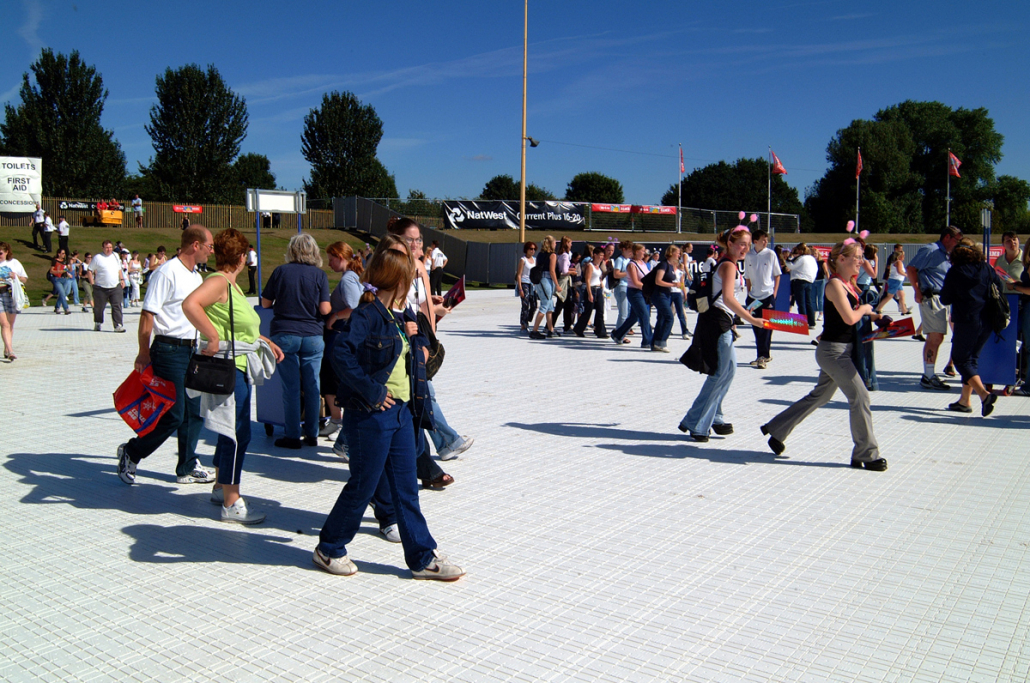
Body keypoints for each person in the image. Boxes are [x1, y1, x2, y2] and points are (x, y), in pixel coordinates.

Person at [314, 242, 464, 581]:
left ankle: (422, 558)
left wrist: (415, 337)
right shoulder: (367, 315)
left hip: (402, 413)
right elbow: (340, 354)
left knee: (406, 488)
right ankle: (329, 548)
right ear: (398, 280)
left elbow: (421, 345)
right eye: (409, 278)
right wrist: (372, 390)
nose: (412, 284)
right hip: (371, 414)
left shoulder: (402, 315)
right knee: (364, 485)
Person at [182, 228, 284, 524]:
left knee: (231, 430)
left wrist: (262, 340)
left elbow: (237, 326)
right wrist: (212, 337)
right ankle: (231, 501)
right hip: (229, 367)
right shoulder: (219, 282)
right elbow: (190, 304)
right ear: (241, 257)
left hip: (238, 364)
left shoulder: (231, 285)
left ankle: (220, 487)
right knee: (237, 433)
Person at [759, 240, 888, 470]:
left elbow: (852, 315)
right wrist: (865, 310)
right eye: (857, 257)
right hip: (834, 353)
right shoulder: (835, 285)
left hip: (842, 350)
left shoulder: (848, 284)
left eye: (862, 257)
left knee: (820, 396)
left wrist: (876, 317)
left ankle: (777, 429)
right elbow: (850, 318)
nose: (861, 261)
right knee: (860, 397)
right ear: (842, 259)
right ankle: (866, 454)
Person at [116, 226, 217, 486]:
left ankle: (187, 466)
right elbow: (148, 314)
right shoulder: (166, 272)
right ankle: (132, 452)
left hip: (191, 350)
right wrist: (143, 352)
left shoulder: (196, 276)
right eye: (209, 246)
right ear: (195, 245)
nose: (211, 251)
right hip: (169, 350)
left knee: (193, 412)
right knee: (174, 414)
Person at [385, 219, 470, 475]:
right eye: (409, 239)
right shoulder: (392, 266)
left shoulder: (420, 266)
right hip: (398, 338)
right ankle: (444, 444)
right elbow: (390, 303)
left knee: (421, 394)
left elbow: (421, 307)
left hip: (417, 338)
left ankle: (441, 447)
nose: (415, 244)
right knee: (421, 395)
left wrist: (431, 335)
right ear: (397, 240)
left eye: (418, 239)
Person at [679, 226, 765, 441]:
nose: (745, 248)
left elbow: (727, 300)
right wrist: (752, 320)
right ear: (730, 244)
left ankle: (715, 415)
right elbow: (727, 298)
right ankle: (697, 422)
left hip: (722, 321)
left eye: (748, 244)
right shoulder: (728, 266)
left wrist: (738, 317)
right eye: (741, 244)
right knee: (719, 373)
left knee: (729, 371)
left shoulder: (730, 264)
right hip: (717, 323)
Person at [261, 233, 331, 449]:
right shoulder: (320, 275)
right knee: (312, 385)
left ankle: (292, 435)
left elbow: (265, 303)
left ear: (291, 250)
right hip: (313, 335)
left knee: (290, 388)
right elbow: (325, 309)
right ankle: (312, 433)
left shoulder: (280, 272)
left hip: (285, 334)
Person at [940, 238, 1003, 416]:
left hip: (966, 320)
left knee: (960, 360)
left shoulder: (956, 271)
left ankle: (984, 395)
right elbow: (999, 287)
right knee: (972, 359)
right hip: (988, 320)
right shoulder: (986, 268)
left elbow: (945, 298)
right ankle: (964, 400)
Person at [320, 241, 364, 454]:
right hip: (341, 334)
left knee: (332, 377)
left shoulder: (347, 279)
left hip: (339, 334)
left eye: (331, 259)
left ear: (340, 257)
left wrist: (335, 315)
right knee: (331, 377)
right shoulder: (352, 277)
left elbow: (355, 307)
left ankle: (340, 424)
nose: (329, 264)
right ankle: (337, 421)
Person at [907, 226, 963, 390]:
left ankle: (929, 374)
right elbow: (911, 268)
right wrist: (917, 290)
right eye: (956, 240)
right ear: (947, 237)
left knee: (937, 337)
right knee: (935, 337)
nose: (958, 244)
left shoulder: (945, 254)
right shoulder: (931, 250)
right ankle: (928, 376)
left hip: (943, 298)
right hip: (933, 298)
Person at [743, 228, 781, 369]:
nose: (766, 242)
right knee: (756, 326)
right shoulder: (749, 256)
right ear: (755, 241)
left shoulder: (771, 254)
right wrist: (749, 293)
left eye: (766, 240)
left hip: (767, 296)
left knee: (767, 327)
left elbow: (777, 274)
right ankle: (763, 354)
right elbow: (747, 276)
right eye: (763, 240)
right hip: (754, 297)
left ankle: (762, 356)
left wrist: (774, 293)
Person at [610, 244, 654, 349]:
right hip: (635, 292)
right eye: (642, 250)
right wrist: (649, 288)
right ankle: (647, 341)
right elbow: (635, 282)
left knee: (634, 317)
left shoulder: (643, 263)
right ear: (636, 251)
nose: (644, 253)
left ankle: (618, 334)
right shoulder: (631, 265)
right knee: (644, 315)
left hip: (642, 292)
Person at [88, 240, 127, 332]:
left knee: (117, 305)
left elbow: (119, 269)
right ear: (103, 248)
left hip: (115, 286)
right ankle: (98, 322)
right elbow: (90, 270)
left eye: (110, 247)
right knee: (99, 307)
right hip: (101, 287)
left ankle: (118, 325)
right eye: (107, 248)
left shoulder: (115, 256)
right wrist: (92, 283)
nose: (109, 249)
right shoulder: (98, 258)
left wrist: (122, 279)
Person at [649, 244, 681, 352]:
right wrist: (673, 285)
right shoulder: (663, 264)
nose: (679, 255)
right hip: (659, 294)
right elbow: (658, 281)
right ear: (671, 253)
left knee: (662, 318)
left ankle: (654, 343)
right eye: (677, 253)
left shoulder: (670, 265)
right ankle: (661, 341)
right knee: (669, 317)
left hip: (667, 294)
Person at [0, 242, 28, 361]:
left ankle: (7, 348)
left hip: (11, 294)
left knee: (10, 324)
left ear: (7, 252)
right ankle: (11, 351)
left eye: (0, 253)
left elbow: (24, 279)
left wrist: (16, 276)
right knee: (4, 324)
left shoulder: (14, 263)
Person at [573, 246, 608, 338]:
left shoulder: (598, 266)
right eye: (600, 255)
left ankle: (600, 331)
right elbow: (587, 280)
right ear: (595, 255)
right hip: (592, 289)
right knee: (588, 311)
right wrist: (589, 294)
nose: (601, 257)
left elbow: (598, 277)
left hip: (598, 289)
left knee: (600, 310)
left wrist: (601, 283)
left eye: (602, 256)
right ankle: (579, 328)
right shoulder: (590, 266)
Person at [529, 236, 559, 339]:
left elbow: (537, 267)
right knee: (545, 305)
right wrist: (557, 285)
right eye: (554, 242)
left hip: (539, 280)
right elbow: (552, 271)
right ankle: (534, 330)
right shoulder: (552, 255)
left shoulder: (539, 255)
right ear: (551, 244)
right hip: (547, 280)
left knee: (549, 306)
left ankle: (551, 329)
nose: (555, 244)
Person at [786, 243, 817, 328]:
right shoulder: (812, 258)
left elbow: (791, 266)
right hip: (809, 281)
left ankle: (803, 322)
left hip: (799, 281)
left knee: (801, 303)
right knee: (808, 302)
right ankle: (811, 322)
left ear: (800, 250)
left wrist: (789, 257)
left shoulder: (801, 258)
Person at [876, 244, 910, 315]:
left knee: (902, 295)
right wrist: (907, 275)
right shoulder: (898, 262)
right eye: (903, 256)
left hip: (897, 281)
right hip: (896, 280)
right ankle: (878, 308)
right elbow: (899, 271)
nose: (904, 257)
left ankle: (904, 310)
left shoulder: (895, 262)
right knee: (890, 296)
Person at [610, 240, 633, 333]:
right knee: (623, 313)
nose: (631, 253)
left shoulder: (629, 260)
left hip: (629, 286)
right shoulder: (620, 260)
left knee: (628, 312)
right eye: (629, 251)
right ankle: (619, 333)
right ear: (624, 250)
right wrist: (629, 273)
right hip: (621, 286)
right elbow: (616, 274)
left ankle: (624, 331)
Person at [516, 242, 538, 334]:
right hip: (525, 283)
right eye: (531, 249)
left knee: (534, 305)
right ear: (527, 249)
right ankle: (523, 325)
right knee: (525, 304)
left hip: (533, 284)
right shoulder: (523, 260)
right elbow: (519, 275)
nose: (532, 251)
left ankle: (528, 319)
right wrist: (520, 289)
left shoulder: (535, 260)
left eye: (534, 249)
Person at [49, 249, 75, 315]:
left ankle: (57, 307)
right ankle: (66, 309)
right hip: (57, 279)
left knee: (63, 294)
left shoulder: (64, 261)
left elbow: (70, 270)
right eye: (62, 253)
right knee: (62, 293)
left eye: (64, 253)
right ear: (59, 254)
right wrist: (59, 271)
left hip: (64, 278)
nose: (64, 255)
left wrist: (71, 264)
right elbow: (51, 271)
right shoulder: (55, 261)